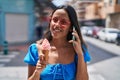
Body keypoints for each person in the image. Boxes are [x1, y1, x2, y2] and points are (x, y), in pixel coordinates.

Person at [24, 5, 91, 80]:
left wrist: (80, 54)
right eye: (55, 20)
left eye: (63, 22)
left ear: (71, 28)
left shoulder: (79, 50)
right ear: (50, 22)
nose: (57, 25)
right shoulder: (35, 49)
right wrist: (37, 72)